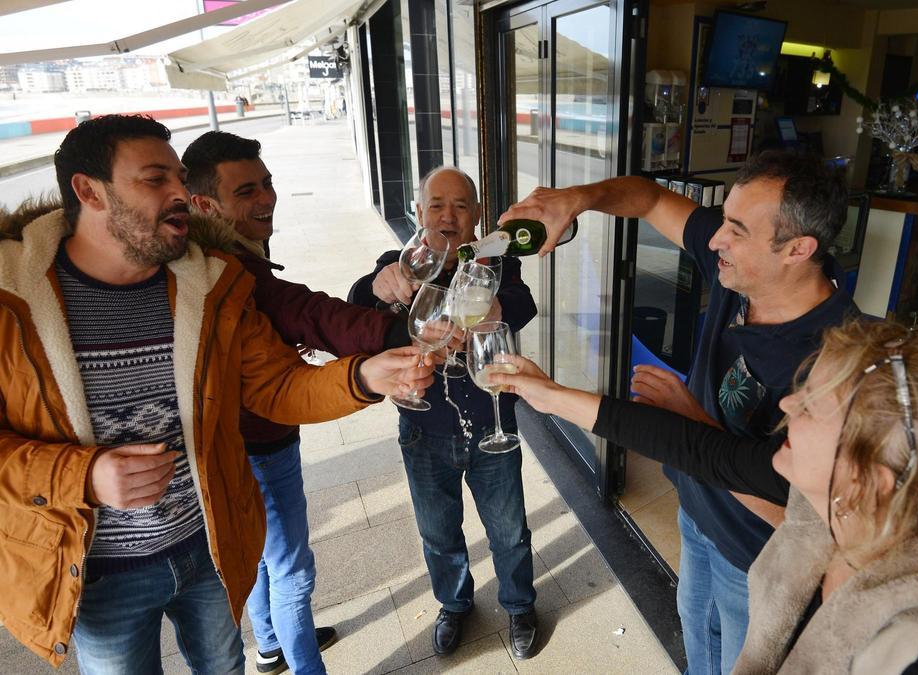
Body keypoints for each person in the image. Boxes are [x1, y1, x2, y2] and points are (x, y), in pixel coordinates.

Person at [0, 114, 431, 672]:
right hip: (96, 571)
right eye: (155, 179)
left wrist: (366, 377)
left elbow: (277, 385)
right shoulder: (13, 301)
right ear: (89, 191)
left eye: (179, 177)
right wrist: (83, 475)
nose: (181, 194)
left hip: (209, 549)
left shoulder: (208, 283)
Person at [490, 320, 918, 673]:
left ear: (871, 479)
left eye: (810, 403)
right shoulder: (831, 512)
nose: (786, 406)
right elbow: (702, 450)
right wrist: (550, 397)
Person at [501, 150, 857, 672]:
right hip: (694, 513)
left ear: (798, 249)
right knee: (696, 644)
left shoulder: (834, 361)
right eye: (724, 219)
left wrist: (692, 422)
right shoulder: (743, 265)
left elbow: (804, 516)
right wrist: (576, 200)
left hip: (755, 557)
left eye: (735, 229)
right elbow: (646, 198)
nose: (715, 240)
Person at [181, 130, 413, 675]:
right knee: (293, 571)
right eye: (246, 192)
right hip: (260, 439)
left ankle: (269, 646)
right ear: (202, 203)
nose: (265, 199)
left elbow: (289, 318)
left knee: (260, 559)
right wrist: (397, 333)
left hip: (233, 439)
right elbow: (305, 311)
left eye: (267, 184)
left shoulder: (213, 250)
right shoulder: (224, 263)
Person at [349, 166, 540, 659]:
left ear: (477, 214)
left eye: (460, 205)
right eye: (437, 205)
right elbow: (356, 303)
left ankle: (519, 605)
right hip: (423, 426)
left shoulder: (493, 259)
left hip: (491, 419)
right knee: (438, 532)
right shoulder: (401, 264)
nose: (448, 215)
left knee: (510, 530)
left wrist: (491, 308)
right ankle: (454, 605)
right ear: (419, 211)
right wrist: (377, 284)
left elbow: (522, 302)